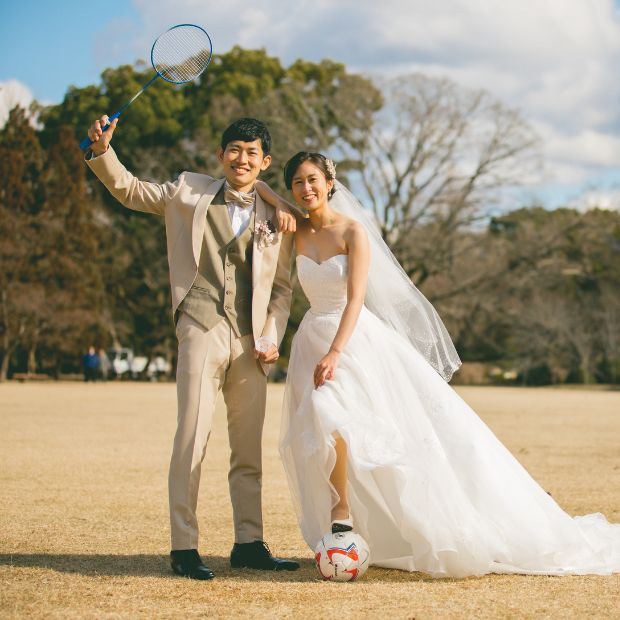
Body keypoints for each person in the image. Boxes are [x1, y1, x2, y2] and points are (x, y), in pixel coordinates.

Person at [278, 151, 620, 577]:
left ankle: (342, 510)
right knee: (322, 426)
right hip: (311, 335)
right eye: (296, 183)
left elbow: (357, 298)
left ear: (330, 182)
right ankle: (358, 520)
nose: (306, 189)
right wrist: (269, 196)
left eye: (313, 179)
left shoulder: (353, 232)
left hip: (351, 339)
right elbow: (257, 189)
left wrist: (335, 351)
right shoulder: (296, 230)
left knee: (339, 415)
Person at [84, 115, 301, 579]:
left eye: (251, 153)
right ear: (220, 154)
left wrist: (270, 337)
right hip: (200, 327)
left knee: (248, 449)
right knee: (192, 437)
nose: (241, 159)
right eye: (233, 150)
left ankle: (249, 542)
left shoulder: (278, 216)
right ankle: (184, 547)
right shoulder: (188, 190)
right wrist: (104, 152)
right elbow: (131, 190)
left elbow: (282, 291)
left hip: (251, 342)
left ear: (264, 162)